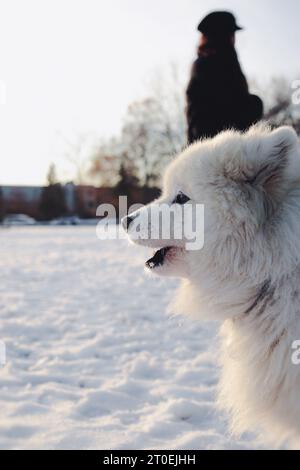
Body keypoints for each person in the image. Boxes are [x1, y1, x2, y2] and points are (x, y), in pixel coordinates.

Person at [186, 11, 263, 144]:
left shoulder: (209, 63)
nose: (234, 38)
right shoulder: (212, 65)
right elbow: (229, 108)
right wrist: (254, 105)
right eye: (231, 33)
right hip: (215, 148)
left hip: (213, 147)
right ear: (223, 36)